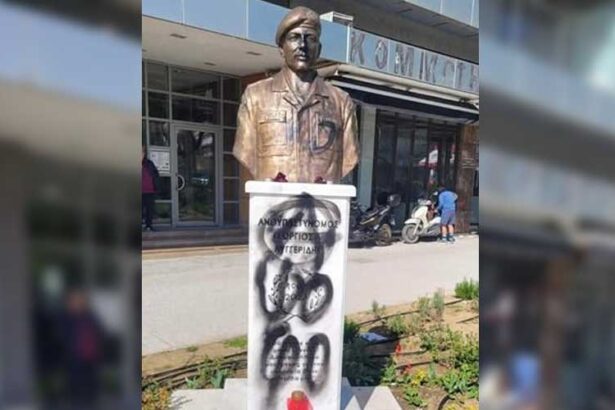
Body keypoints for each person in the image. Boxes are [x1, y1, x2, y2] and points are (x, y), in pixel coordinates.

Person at [233, 6, 360, 183]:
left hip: (322, 199)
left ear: (319, 49)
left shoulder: (341, 102)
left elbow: (350, 158)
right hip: (272, 197)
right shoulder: (255, 96)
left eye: (310, 38)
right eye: (294, 37)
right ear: (281, 48)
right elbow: (244, 153)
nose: (302, 46)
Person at [142, 146, 159, 231]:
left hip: (149, 191)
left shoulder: (149, 163)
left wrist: (155, 184)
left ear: (144, 153)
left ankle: (148, 226)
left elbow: (155, 174)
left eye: (142, 152)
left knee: (149, 210)